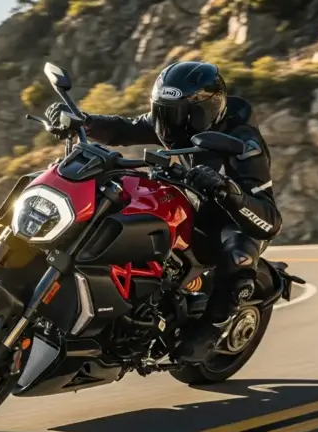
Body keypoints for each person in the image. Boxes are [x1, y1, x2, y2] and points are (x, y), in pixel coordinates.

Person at [44, 60, 282, 363]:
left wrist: (226, 189)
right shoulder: (170, 122)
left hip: (233, 215)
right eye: (164, 112)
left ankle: (212, 329)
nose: (171, 124)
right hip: (192, 200)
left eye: (180, 114)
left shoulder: (244, 144)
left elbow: (269, 220)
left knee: (239, 254)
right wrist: (82, 121)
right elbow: (124, 129)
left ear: (206, 110)